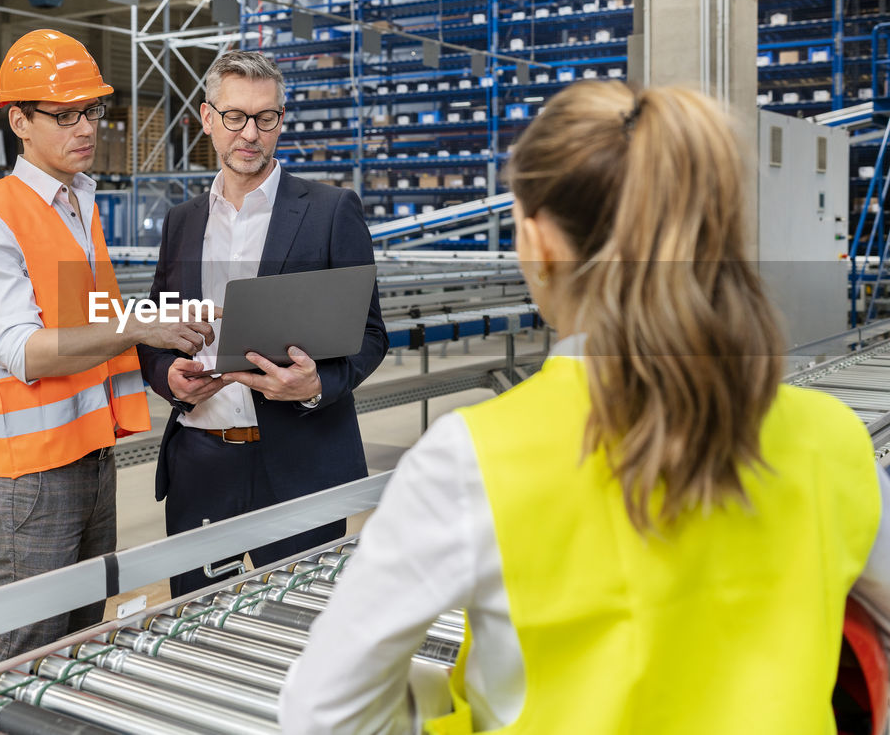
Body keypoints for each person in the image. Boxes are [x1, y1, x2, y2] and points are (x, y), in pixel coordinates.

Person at [279, 80, 890, 733]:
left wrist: (435, 711)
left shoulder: (474, 460)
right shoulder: (833, 440)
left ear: (538, 242)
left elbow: (323, 715)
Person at [0, 29, 215, 663]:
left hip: (89, 455)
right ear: (19, 121)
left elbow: (84, 316)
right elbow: (23, 350)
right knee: (30, 650)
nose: (85, 127)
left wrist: (168, 315)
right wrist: (138, 328)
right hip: (30, 474)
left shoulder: (77, 203)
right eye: (63, 115)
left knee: (81, 642)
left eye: (90, 111)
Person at [136, 50, 388, 597]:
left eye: (265, 118)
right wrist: (167, 377)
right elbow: (155, 329)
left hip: (301, 463)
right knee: (198, 630)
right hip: (202, 463)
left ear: (280, 121)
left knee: (303, 626)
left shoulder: (330, 210)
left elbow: (371, 333)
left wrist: (319, 384)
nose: (249, 133)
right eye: (234, 117)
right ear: (208, 119)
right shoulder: (183, 222)